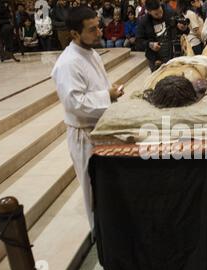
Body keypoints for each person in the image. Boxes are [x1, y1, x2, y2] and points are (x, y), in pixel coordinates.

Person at [51, 6, 125, 230]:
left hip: (100, 129)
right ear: (74, 34)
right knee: (95, 194)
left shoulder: (91, 53)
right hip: (85, 135)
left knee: (108, 193)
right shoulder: (67, 64)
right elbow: (75, 103)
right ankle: (101, 239)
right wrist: (106, 95)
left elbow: (93, 88)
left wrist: (107, 91)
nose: (99, 32)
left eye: (98, 26)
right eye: (92, 30)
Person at [135, 0, 189, 71]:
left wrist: (183, 28)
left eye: (160, 12)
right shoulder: (144, 21)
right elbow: (138, 41)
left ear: (160, 5)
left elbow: (185, 31)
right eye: (156, 14)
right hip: (155, 59)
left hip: (174, 55)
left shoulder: (170, 13)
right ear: (149, 12)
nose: (160, 15)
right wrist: (150, 44)